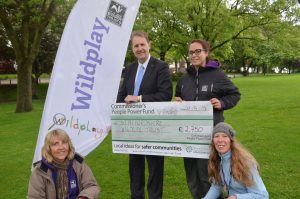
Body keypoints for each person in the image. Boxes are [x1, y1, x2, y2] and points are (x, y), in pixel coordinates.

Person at [175, 39, 241, 199]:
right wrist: (177, 102)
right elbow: (178, 97)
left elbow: (235, 94)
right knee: (192, 176)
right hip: (188, 135)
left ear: (206, 52)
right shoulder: (184, 79)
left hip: (210, 134)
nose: (194, 55)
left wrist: (222, 103)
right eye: (191, 52)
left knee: (207, 176)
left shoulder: (217, 75)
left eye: (198, 51)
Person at [117, 31, 173, 199]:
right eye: (136, 45)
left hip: (154, 126)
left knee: (155, 168)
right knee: (135, 168)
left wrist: (139, 98)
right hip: (132, 128)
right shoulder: (130, 68)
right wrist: (115, 114)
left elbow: (165, 95)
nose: (140, 48)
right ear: (132, 49)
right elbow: (122, 95)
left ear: (149, 45)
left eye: (142, 44)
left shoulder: (161, 66)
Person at [28, 129, 100, 199]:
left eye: (64, 142)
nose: (61, 147)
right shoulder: (40, 172)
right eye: (55, 144)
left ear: (69, 145)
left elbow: (92, 186)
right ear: (48, 148)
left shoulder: (78, 164)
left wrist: (83, 197)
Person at [204, 122, 269, 199]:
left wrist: (236, 197)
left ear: (231, 140)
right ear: (213, 140)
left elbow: (262, 196)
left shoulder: (246, 163)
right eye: (216, 136)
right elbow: (217, 186)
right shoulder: (216, 159)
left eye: (225, 136)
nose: (220, 140)